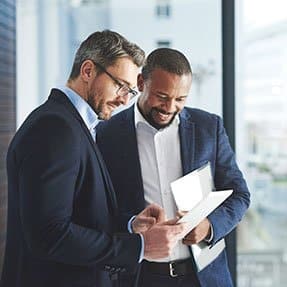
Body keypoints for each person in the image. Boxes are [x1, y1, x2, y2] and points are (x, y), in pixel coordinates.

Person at [0, 31, 188, 287]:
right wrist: (140, 247)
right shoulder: (55, 128)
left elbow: (78, 214)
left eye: (130, 91)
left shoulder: (74, 124)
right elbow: (50, 234)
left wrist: (132, 224)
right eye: (120, 85)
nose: (124, 99)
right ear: (88, 71)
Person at [97, 48, 251, 287]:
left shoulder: (208, 127)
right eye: (162, 96)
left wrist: (209, 227)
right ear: (141, 82)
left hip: (205, 277)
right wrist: (132, 224)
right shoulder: (106, 134)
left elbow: (240, 195)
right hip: (140, 277)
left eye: (180, 99)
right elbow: (99, 209)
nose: (169, 107)